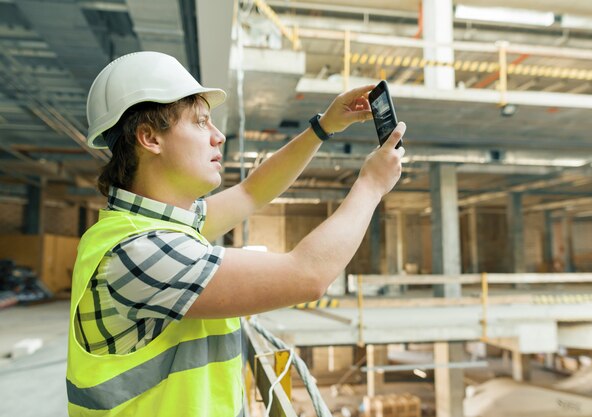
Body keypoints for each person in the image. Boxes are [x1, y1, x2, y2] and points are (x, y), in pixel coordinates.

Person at [66, 51, 405, 417]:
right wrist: (371, 186)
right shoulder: (141, 252)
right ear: (150, 138)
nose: (218, 136)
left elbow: (251, 191)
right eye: (200, 122)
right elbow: (307, 275)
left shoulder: (158, 226)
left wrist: (323, 127)